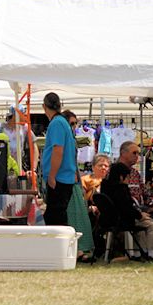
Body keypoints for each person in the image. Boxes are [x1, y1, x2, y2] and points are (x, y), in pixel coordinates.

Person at [100, 162, 153, 260]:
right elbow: (127, 208)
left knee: (140, 225)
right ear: (121, 177)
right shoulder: (121, 189)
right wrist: (140, 215)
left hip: (107, 220)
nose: (129, 180)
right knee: (149, 224)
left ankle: (138, 252)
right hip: (123, 220)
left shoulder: (104, 186)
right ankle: (151, 252)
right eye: (127, 177)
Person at [62, 110, 94, 262]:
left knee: (79, 215)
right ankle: (78, 248)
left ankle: (82, 247)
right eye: (72, 123)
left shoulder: (71, 138)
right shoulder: (66, 139)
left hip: (74, 180)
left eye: (75, 123)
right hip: (68, 180)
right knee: (73, 215)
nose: (74, 126)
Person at [41, 93, 77, 226]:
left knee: (55, 219)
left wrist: (52, 175)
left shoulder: (56, 123)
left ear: (44, 107)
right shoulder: (62, 122)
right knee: (55, 216)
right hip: (63, 177)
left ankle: (61, 246)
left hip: (59, 178)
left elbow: (58, 150)